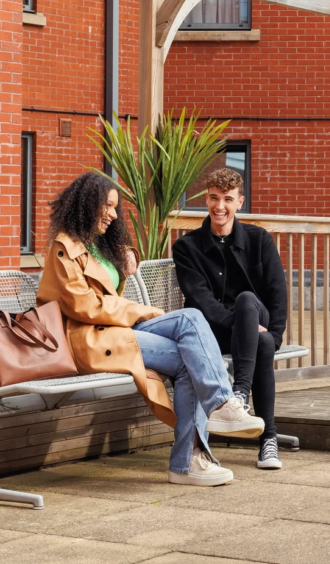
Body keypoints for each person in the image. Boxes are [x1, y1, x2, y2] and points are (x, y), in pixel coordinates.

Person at [36, 172, 265, 487]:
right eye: (109, 206)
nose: (114, 215)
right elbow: (86, 307)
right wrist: (144, 310)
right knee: (190, 341)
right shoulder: (64, 248)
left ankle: (207, 429)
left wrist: (127, 253)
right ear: (89, 204)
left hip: (112, 332)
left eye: (116, 208)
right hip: (85, 339)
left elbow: (108, 283)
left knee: (191, 333)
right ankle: (197, 446)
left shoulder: (97, 244)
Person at [173, 168, 288, 470]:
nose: (219, 206)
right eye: (213, 198)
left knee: (247, 300)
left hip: (256, 316)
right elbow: (199, 298)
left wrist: (275, 334)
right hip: (215, 331)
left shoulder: (259, 239)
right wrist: (244, 328)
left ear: (240, 202)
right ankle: (269, 440)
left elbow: (277, 291)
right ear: (206, 199)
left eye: (227, 199)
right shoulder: (187, 247)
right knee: (259, 342)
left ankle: (238, 393)